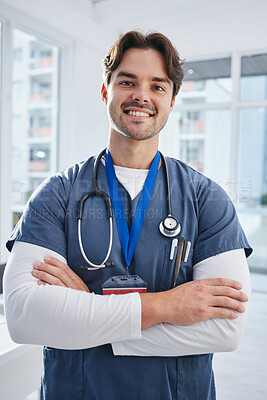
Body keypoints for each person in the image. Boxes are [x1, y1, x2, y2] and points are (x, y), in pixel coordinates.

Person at [4, 31, 252, 400]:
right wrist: (167, 306)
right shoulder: (56, 194)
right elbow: (24, 317)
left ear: (171, 100)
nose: (142, 96)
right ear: (106, 91)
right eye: (127, 81)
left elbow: (224, 329)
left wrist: (87, 309)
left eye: (157, 86)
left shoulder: (207, 198)